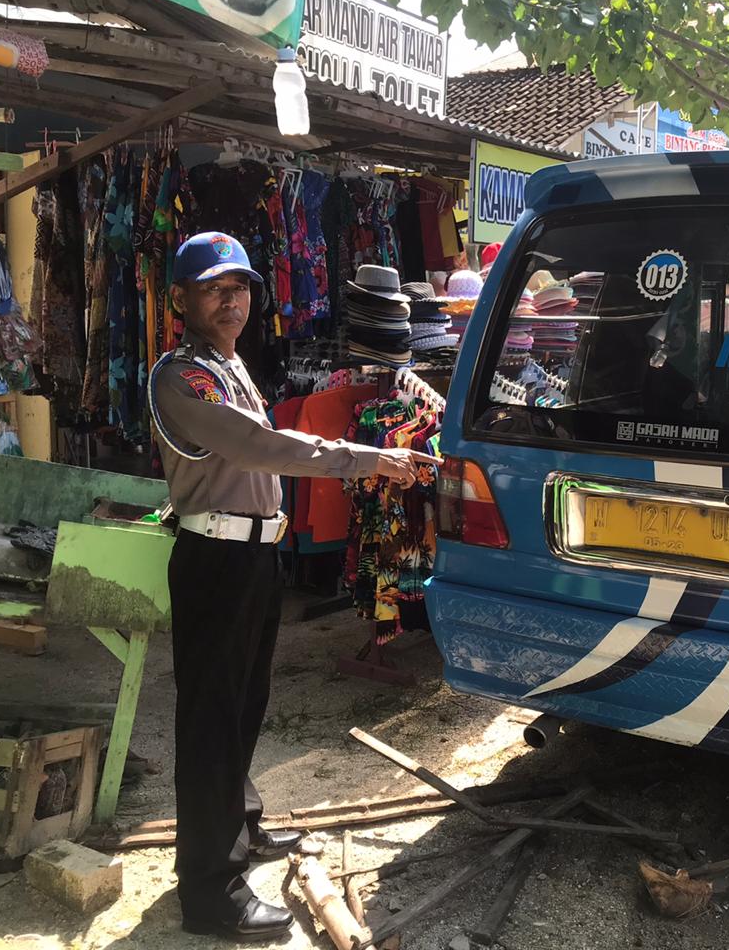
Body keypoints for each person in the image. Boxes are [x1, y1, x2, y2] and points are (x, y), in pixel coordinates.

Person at [149, 232, 440, 941]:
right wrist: (367, 456)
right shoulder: (180, 377)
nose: (232, 300)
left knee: (247, 704)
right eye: (216, 287)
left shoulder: (228, 363)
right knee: (212, 722)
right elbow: (264, 447)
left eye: (242, 286)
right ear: (180, 298)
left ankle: (239, 828)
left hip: (252, 559)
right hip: (215, 560)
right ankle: (209, 893)